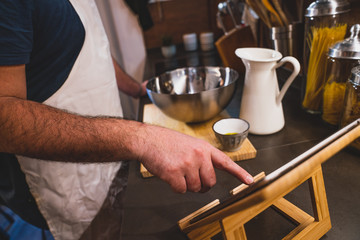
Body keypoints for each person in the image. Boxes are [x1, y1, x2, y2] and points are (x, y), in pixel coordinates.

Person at [0, 0, 254, 239]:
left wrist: (134, 88)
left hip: (108, 161)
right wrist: (141, 137)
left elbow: (89, 45)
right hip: (62, 187)